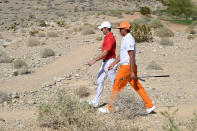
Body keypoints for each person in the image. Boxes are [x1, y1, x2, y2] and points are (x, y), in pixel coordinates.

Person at [99, 21, 156, 114]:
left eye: (120, 29)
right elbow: (122, 55)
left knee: (117, 87)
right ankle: (150, 105)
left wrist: (132, 72)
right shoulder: (125, 38)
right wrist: (113, 63)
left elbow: (131, 55)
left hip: (126, 67)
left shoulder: (128, 39)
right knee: (137, 86)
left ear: (125, 29)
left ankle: (110, 108)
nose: (119, 31)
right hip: (129, 66)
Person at [88, 21, 117, 107]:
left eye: (102, 29)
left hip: (109, 62)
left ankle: (117, 104)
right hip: (105, 62)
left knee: (114, 84)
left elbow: (105, 53)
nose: (101, 30)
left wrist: (94, 60)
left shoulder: (110, 38)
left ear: (106, 28)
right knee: (100, 81)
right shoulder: (107, 37)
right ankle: (95, 102)